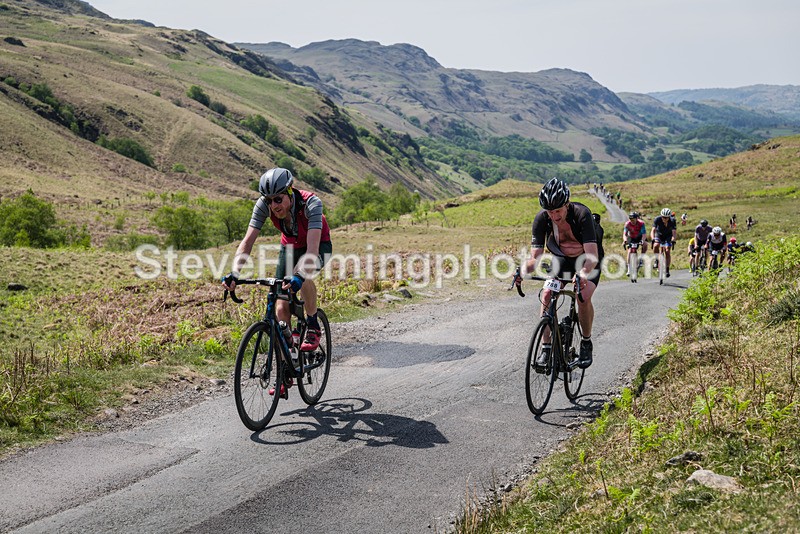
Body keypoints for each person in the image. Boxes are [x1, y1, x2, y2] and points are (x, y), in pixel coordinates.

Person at [222, 167, 333, 356]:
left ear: (290, 191)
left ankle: (313, 324)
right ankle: (288, 358)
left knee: (303, 275)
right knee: (280, 304)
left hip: (318, 245)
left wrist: (298, 275)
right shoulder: (263, 206)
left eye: (278, 199)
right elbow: (247, 242)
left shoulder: (311, 204)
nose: (273, 205)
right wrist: (234, 272)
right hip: (289, 246)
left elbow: (312, 251)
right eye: (269, 200)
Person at [515, 178, 600, 370]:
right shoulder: (542, 218)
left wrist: (583, 274)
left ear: (567, 204)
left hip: (587, 259)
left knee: (582, 297)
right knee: (546, 294)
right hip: (561, 259)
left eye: (558, 211)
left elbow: (592, 256)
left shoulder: (582, 214)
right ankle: (546, 348)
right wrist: (521, 271)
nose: (554, 216)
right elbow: (535, 258)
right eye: (550, 211)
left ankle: (586, 342)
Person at [651, 207, 677, 277]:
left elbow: (674, 232)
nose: (664, 219)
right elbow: (653, 230)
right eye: (663, 217)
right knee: (656, 245)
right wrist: (653, 238)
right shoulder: (657, 219)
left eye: (666, 217)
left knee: (667, 250)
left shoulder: (672, 220)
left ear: (669, 217)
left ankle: (667, 269)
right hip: (659, 235)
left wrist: (673, 240)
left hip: (668, 236)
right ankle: (656, 260)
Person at [622, 211, 647, 276]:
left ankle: (641, 259)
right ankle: (629, 269)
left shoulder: (641, 223)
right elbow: (624, 234)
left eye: (633, 219)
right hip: (631, 237)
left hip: (639, 236)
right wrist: (625, 240)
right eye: (630, 219)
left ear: (636, 219)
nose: (632, 221)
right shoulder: (627, 224)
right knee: (630, 251)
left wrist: (642, 241)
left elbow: (644, 234)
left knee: (645, 244)